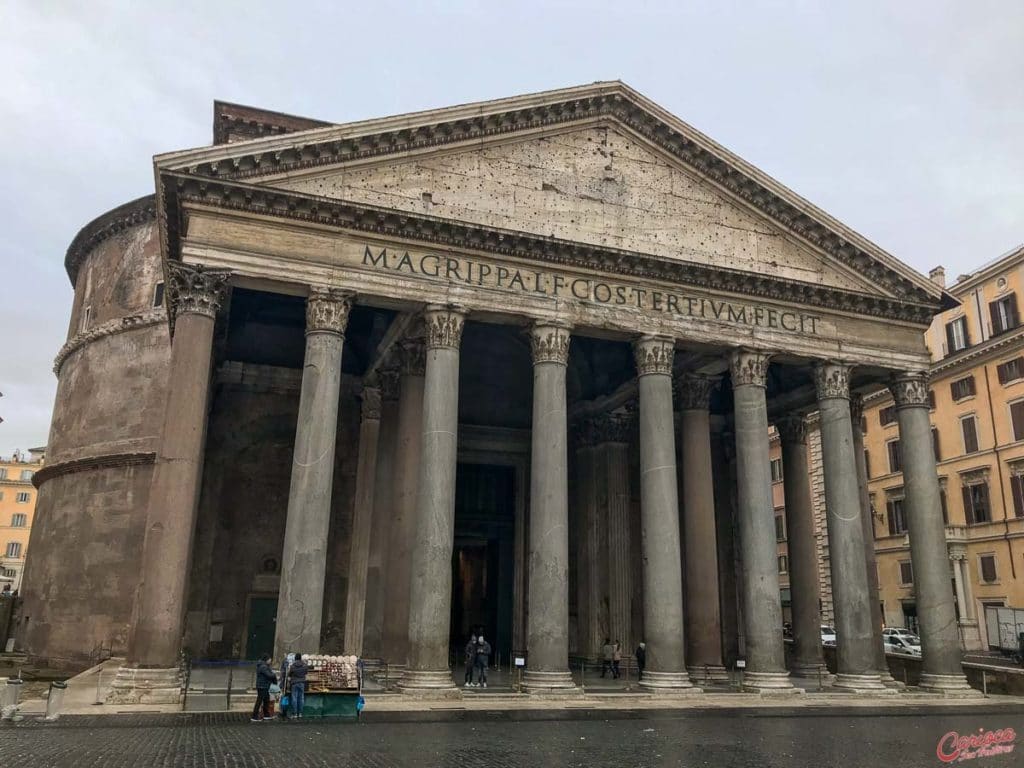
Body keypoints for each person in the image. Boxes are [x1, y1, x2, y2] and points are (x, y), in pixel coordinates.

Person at [252, 654, 278, 722]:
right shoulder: (263, 666)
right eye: (270, 659)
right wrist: (274, 674)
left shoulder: (264, 666)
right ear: (267, 659)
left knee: (266, 700)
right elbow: (269, 675)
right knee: (259, 701)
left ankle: (266, 715)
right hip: (262, 686)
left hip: (265, 686)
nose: (270, 661)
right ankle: (254, 716)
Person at [289, 653, 308, 718]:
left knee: (294, 698)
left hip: (294, 683)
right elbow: (306, 672)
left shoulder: (292, 666)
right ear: (300, 658)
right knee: (301, 698)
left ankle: (294, 714)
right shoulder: (305, 665)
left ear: (295, 658)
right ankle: (300, 713)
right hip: (302, 683)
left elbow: (290, 674)